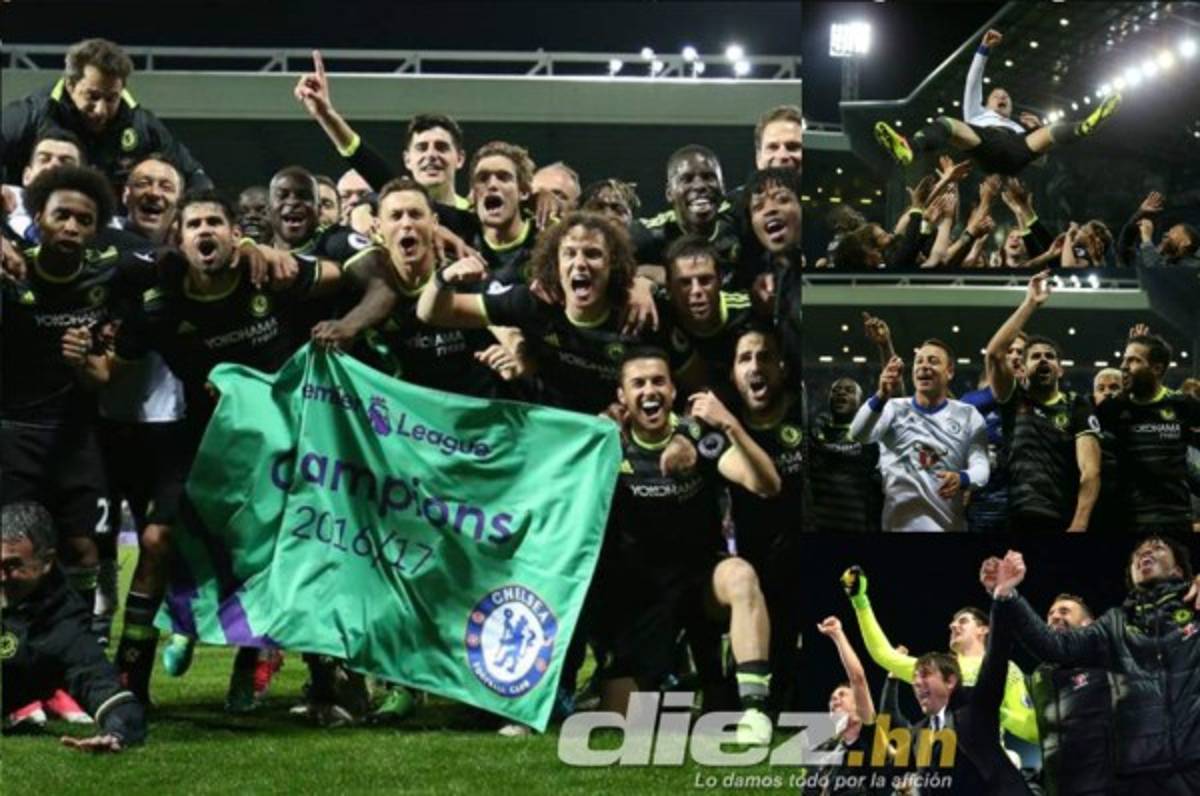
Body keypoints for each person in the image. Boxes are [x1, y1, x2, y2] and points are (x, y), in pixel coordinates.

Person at [592, 348, 781, 744]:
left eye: (658, 381)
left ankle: (755, 711)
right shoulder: (608, 444)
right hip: (644, 597)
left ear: (673, 390)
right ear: (622, 396)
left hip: (701, 583)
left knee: (741, 575)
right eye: (638, 384)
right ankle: (678, 677)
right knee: (621, 720)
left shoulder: (700, 437)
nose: (650, 390)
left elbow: (767, 484)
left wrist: (729, 424)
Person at [417, 210, 702, 415]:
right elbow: (433, 313)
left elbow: (701, 387)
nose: (580, 263)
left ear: (612, 265)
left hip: (626, 447)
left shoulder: (643, 315)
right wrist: (443, 279)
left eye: (592, 254)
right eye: (569, 253)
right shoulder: (532, 304)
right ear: (555, 264)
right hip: (558, 440)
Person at [992, 538, 1200, 794]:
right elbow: (1057, 646)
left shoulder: (1195, 607)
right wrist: (1008, 594)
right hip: (1139, 778)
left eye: (1157, 547)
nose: (1145, 551)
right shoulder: (1115, 623)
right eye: (1138, 553)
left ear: (1177, 571)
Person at [873, 29, 1121, 177]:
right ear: (986, 102)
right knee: (946, 123)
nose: (1002, 97)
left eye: (1006, 97)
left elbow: (1040, 161)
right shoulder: (977, 113)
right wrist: (983, 50)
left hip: (1017, 147)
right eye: (996, 95)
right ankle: (910, 148)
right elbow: (973, 82)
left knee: (1051, 129)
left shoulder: (1019, 127)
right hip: (985, 143)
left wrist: (1036, 130)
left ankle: (1084, 126)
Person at [1, 502, 147, 751]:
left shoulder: (63, 628)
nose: (1, 577)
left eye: (12, 565)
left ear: (46, 562)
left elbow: (109, 694)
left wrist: (117, 733)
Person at [841, 565, 1039, 745]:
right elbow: (883, 654)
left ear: (984, 629)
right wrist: (860, 601)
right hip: (940, 763)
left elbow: (1031, 730)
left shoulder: (1005, 668)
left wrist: (996, 711)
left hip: (984, 767)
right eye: (953, 622)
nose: (953, 625)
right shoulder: (937, 668)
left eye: (963, 621)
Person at [1, 38, 210, 192]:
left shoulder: (141, 125)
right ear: (70, 85)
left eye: (111, 98)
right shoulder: (31, 114)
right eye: (92, 96)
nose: (101, 110)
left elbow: (194, 176)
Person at [985, 271, 1101, 531]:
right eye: (1035, 356)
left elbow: (1090, 470)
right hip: (1015, 517)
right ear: (1022, 368)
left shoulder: (1077, 405)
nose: (1043, 360)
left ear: (1060, 370)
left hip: (1062, 519)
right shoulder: (1013, 399)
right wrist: (1030, 304)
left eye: (1050, 356)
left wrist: (1080, 523)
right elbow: (994, 354)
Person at [727, 326, 803, 710]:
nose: (755, 366)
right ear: (732, 374)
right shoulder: (722, 425)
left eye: (765, 357)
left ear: (782, 367)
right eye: (745, 358)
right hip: (756, 566)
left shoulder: (805, 412)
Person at [849, 340, 989, 531]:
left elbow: (982, 468)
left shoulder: (968, 414)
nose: (924, 366)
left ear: (949, 372)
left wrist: (962, 478)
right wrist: (881, 394)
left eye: (933, 361)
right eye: (919, 361)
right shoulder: (892, 408)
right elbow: (858, 434)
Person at [1094, 333, 1200, 534]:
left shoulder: (1183, 405)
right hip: (1126, 521)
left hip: (1175, 518)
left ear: (1157, 368)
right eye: (1124, 359)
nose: (1123, 366)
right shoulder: (1111, 409)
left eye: (1133, 360)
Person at [632, 145, 746, 288]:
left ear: (722, 187)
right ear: (669, 193)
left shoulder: (740, 222)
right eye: (687, 179)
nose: (699, 186)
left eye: (708, 177)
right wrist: (641, 277)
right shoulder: (649, 235)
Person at [805, 616, 889, 796]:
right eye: (832, 699)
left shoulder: (870, 738)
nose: (834, 700)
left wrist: (838, 635)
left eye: (842, 695)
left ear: (858, 704)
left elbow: (857, 679)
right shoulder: (822, 755)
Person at [663, 235, 756, 396]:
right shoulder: (660, 317)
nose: (696, 291)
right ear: (669, 287)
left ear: (721, 280)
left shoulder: (748, 310)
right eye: (685, 283)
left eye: (705, 280)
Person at [808, 377, 882, 533]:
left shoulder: (871, 435)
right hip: (820, 523)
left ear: (860, 402)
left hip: (858, 522)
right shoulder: (815, 433)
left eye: (849, 391)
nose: (841, 393)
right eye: (835, 390)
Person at [3, 129, 85, 242]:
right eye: (44, 159)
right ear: (27, 176)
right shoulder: (5, 208)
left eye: (66, 162)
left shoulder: (105, 235)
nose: (54, 165)